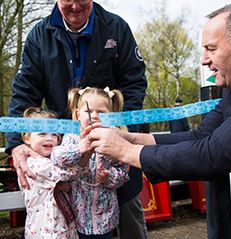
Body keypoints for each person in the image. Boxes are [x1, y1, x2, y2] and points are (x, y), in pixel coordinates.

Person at [88, 4, 231, 239]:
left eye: (211, 49)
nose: (204, 60)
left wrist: (125, 151)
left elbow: (213, 154)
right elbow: (200, 137)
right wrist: (132, 138)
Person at [6, 1, 148, 238]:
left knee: (129, 216)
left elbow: (134, 83)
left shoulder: (116, 28)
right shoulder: (39, 36)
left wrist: (122, 131)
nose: (74, 6)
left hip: (116, 150)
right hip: (68, 157)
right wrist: (16, 143)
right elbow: (24, 92)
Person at [51, 86, 130, 238]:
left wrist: (109, 177)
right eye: (88, 111)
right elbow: (56, 158)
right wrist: (80, 149)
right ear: (78, 114)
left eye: (101, 112)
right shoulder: (72, 137)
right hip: (77, 217)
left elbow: (123, 173)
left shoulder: (115, 139)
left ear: (111, 115)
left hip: (106, 218)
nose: (94, 116)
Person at [20, 107, 84, 239]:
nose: (49, 138)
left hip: (60, 224)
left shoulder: (48, 161)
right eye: (42, 133)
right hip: (45, 228)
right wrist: (83, 152)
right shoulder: (33, 164)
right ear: (27, 138)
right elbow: (66, 173)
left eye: (54, 134)